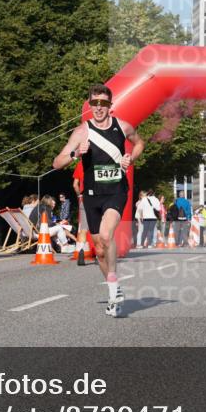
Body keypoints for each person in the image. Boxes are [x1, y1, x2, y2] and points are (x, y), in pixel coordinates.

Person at [53, 84, 145, 317]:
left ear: (110, 106)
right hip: (92, 195)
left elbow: (140, 143)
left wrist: (130, 158)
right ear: (90, 105)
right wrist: (76, 154)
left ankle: (115, 292)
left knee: (106, 235)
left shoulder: (122, 126)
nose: (99, 108)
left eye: (103, 104)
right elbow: (57, 162)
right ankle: (114, 290)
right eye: (95, 104)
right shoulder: (81, 132)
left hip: (116, 191)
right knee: (100, 251)